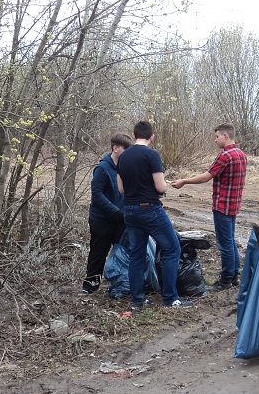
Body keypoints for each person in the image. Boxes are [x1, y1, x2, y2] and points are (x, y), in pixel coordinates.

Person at [117, 121, 191, 309]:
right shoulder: (152, 155)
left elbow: (121, 188)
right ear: (151, 137)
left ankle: (138, 300)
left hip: (130, 210)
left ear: (133, 136)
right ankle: (171, 298)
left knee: (137, 254)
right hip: (149, 209)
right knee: (172, 248)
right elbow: (160, 186)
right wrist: (166, 185)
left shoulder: (123, 157)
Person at [170, 123, 247, 292]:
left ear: (226, 136)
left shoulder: (225, 156)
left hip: (222, 206)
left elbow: (206, 176)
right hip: (233, 205)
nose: (215, 139)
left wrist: (184, 181)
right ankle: (233, 275)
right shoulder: (241, 154)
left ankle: (226, 280)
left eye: (217, 136)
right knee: (230, 241)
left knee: (225, 244)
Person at [81, 133, 133, 294]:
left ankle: (121, 283)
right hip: (101, 220)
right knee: (98, 252)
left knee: (122, 251)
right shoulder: (102, 168)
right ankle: (90, 285)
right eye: (126, 150)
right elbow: (97, 194)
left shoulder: (126, 167)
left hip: (120, 219)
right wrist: (114, 211)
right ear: (116, 148)